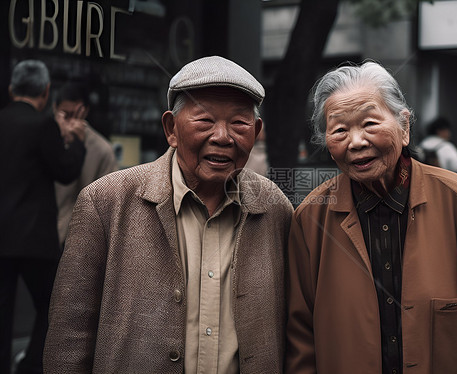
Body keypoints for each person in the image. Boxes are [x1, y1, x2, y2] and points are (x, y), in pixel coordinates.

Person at [44, 56, 294, 374]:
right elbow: (69, 339)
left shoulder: (275, 209)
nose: (222, 137)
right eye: (204, 121)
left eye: (239, 124)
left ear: (256, 132)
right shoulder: (105, 203)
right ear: (171, 129)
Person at [285, 61, 457, 373]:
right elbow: (301, 343)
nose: (356, 141)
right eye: (339, 130)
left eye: (370, 124)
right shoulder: (311, 217)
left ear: (404, 127)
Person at [0, 60, 86, 374]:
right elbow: (65, 171)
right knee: (52, 305)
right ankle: (32, 366)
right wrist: (76, 141)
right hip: (34, 236)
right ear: (46, 91)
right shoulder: (42, 125)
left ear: (11, 90)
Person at [53, 81, 119, 248]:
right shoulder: (47, 140)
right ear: (55, 109)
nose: (70, 122)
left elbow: (109, 202)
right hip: (46, 234)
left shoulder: (101, 150)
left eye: (75, 115)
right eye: (65, 115)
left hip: (80, 239)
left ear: (85, 111)